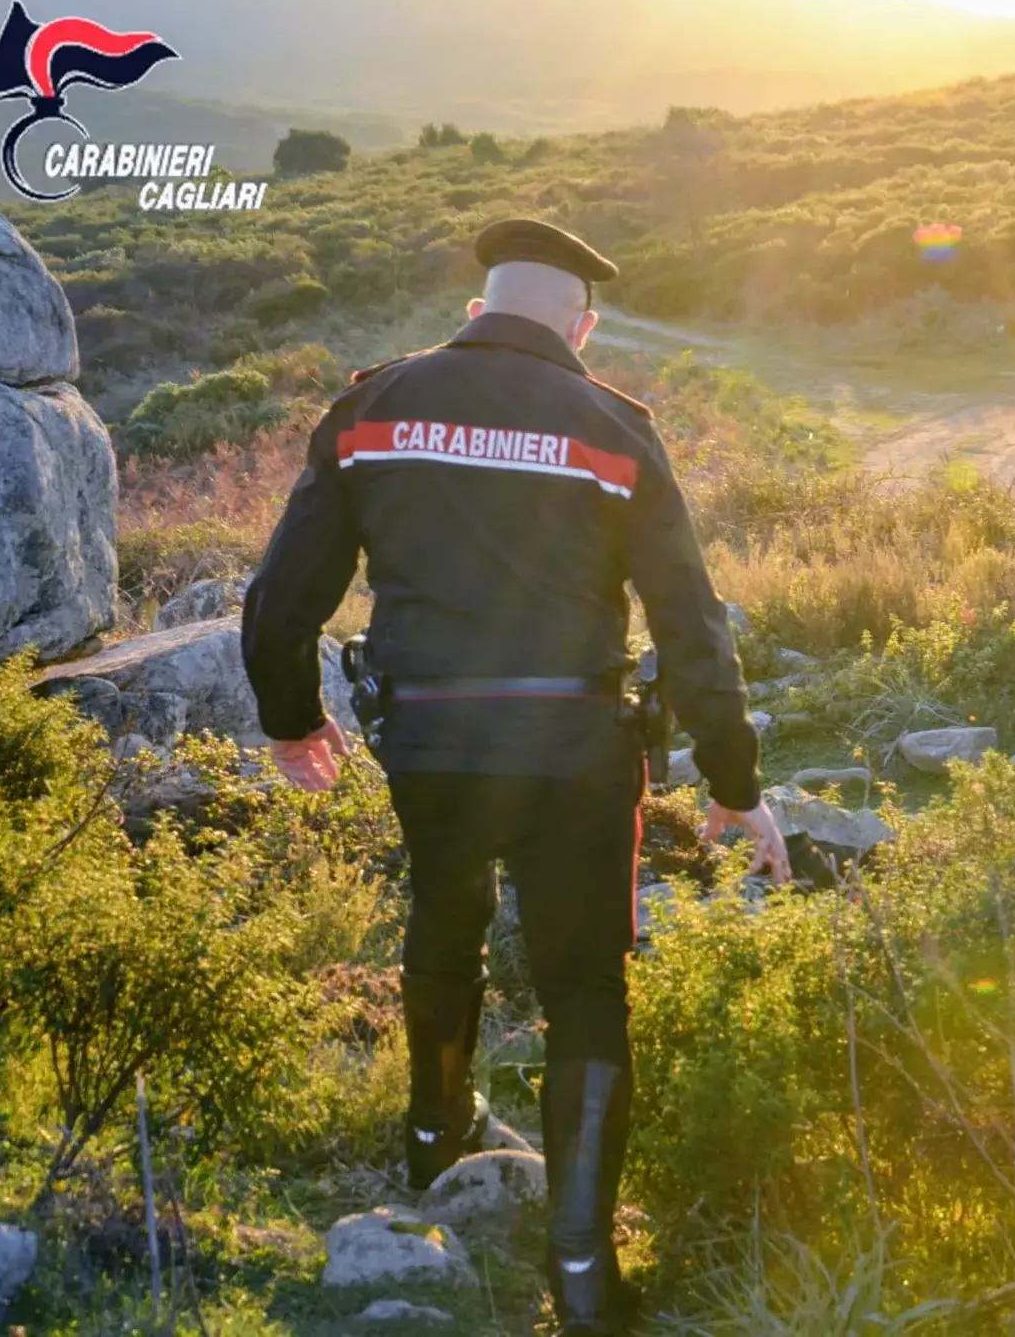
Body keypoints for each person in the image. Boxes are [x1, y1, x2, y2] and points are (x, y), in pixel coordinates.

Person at [240, 218, 790, 1335]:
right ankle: (583, 1274)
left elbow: (280, 597)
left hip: (429, 747)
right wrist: (736, 784)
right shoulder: (614, 428)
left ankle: (435, 1137)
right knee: (586, 985)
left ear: (480, 305)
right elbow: (692, 624)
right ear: (580, 323)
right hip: (577, 756)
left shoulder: (371, 409)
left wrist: (291, 720)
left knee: (444, 924)